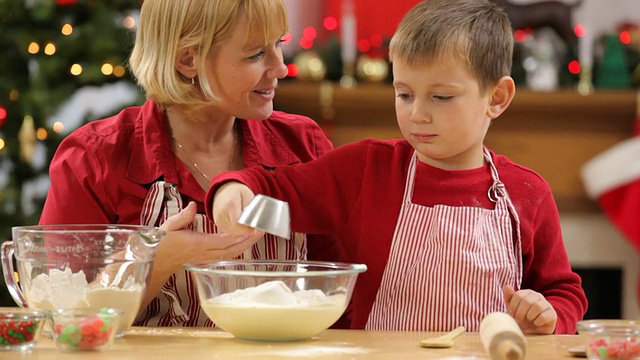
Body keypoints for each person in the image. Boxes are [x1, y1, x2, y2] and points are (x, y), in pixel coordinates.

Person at [208, 0, 587, 334]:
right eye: (404, 93)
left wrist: (548, 315)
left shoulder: (528, 194)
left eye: (441, 97)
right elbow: (279, 196)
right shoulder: (366, 172)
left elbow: (564, 292)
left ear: (497, 97)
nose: (418, 114)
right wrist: (236, 191)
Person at [39, 0, 345, 327]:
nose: (281, 68)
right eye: (256, 53)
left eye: (279, 44)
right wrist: (155, 262)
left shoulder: (303, 145)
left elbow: (340, 291)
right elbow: (62, 320)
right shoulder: (95, 158)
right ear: (188, 60)